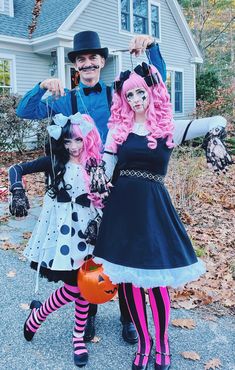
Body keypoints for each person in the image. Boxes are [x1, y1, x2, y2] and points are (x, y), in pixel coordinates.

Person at [16, 30, 167, 343]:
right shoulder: (66, 99)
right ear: (76, 66)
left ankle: (128, 318)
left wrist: (152, 49)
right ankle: (89, 314)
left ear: (101, 61)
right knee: (87, 254)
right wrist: (42, 85)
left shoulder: (118, 92)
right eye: (80, 59)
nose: (87, 63)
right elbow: (25, 111)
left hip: (121, 181)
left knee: (123, 253)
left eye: (92, 58)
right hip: (83, 189)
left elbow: (157, 83)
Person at [93, 63, 233, 370]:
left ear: (152, 91)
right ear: (124, 99)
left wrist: (214, 138)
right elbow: (104, 167)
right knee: (128, 281)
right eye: (130, 95)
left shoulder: (169, 126)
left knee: (155, 282)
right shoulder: (119, 130)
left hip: (153, 210)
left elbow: (218, 119)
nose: (136, 99)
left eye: (141, 92)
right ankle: (143, 345)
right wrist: (97, 178)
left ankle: (163, 344)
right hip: (122, 210)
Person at [8, 113, 104, 367]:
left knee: (84, 284)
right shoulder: (54, 162)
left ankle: (75, 336)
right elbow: (15, 168)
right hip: (61, 233)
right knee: (76, 287)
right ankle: (40, 317)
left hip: (88, 232)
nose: (73, 147)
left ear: (88, 138)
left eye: (78, 140)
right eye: (67, 142)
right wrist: (17, 188)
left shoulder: (96, 163)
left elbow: (104, 196)